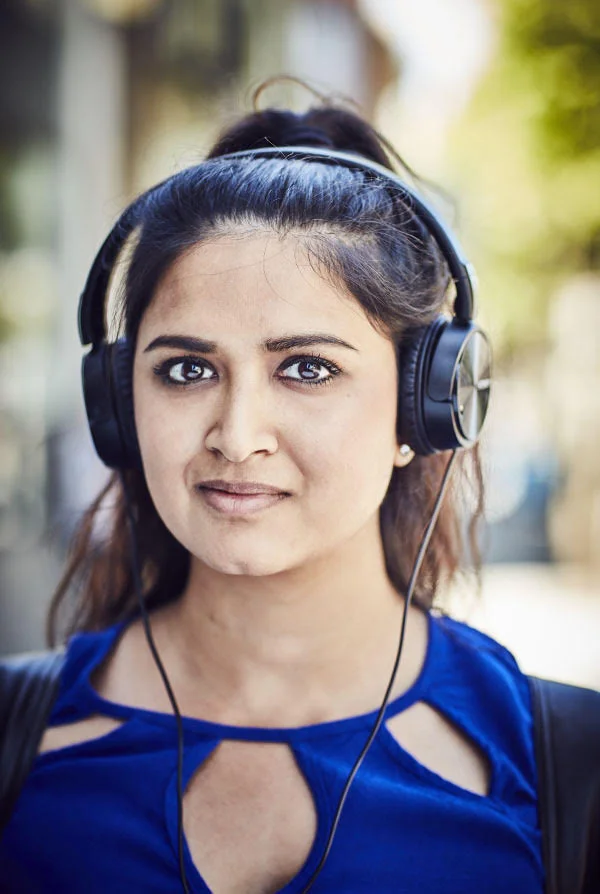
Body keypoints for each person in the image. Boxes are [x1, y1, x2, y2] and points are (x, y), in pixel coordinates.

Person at [0, 90, 547, 894]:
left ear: (423, 409)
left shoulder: (566, 759)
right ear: (118, 405)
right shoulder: (19, 735)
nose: (236, 433)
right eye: (186, 370)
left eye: (307, 368)